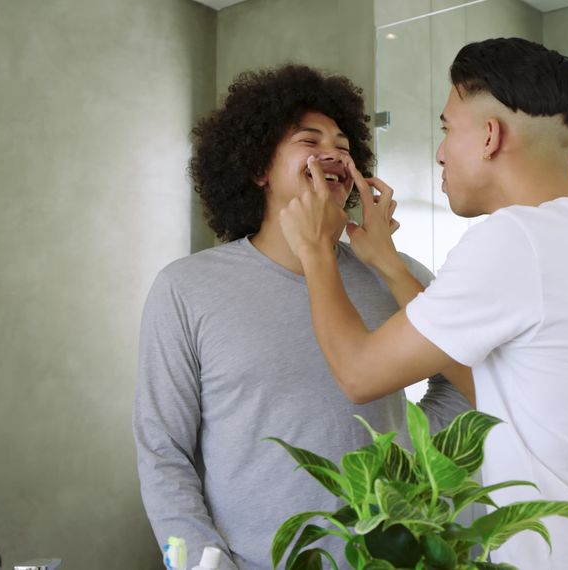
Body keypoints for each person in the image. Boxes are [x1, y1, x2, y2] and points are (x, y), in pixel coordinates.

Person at [278, 38, 568, 568]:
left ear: (490, 136)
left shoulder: (515, 240)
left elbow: (359, 374)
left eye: (448, 128)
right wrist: (388, 265)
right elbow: (495, 395)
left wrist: (314, 250)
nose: (441, 151)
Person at [132, 64, 471, 570]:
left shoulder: (395, 274)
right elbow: (163, 449)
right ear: (257, 168)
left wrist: (406, 441)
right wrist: (203, 561)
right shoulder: (186, 289)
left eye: (342, 142)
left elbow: (468, 381)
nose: (333, 153)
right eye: (309, 140)